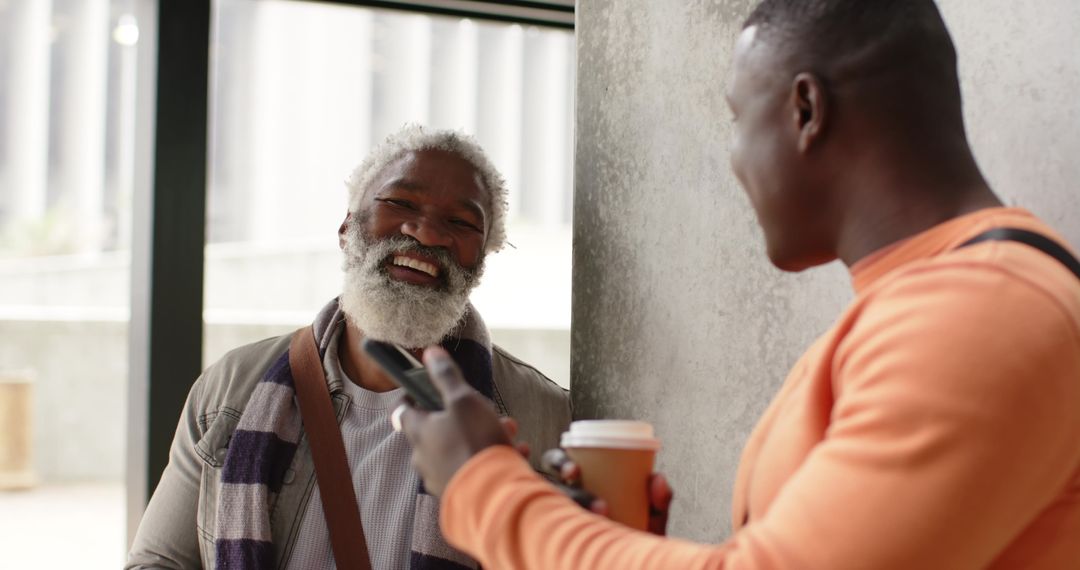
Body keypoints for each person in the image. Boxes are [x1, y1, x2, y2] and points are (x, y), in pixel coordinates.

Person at [398, 1, 1080, 568]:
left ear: (805, 109)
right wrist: (619, 543)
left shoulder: (978, 312)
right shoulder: (926, 305)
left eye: (736, 117)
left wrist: (481, 484)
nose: (732, 160)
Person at [126, 125, 572, 569]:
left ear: (482, 259)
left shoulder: (541, 416)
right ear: (347, 228)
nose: (427, 233)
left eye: (461, 222)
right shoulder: (231, 389)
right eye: (400, 202)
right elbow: (157, 561)